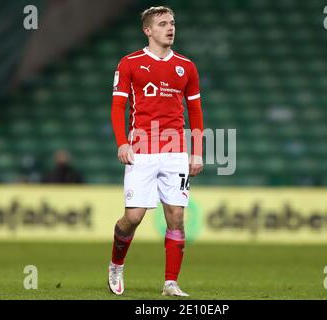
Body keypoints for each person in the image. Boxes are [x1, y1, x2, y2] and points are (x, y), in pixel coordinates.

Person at [107, 6, 204, 297]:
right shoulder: (130, 63)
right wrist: (122, 142)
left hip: (175, 151)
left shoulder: (186, 66)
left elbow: (195, 111)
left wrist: (196, 151)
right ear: (148, 31)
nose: (170, 28)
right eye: (162, 24)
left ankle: (171, 283)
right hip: (141, 151)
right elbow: (118, 107)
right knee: (133, 217)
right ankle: (116, 263)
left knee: (176, 216)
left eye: (172, 23)